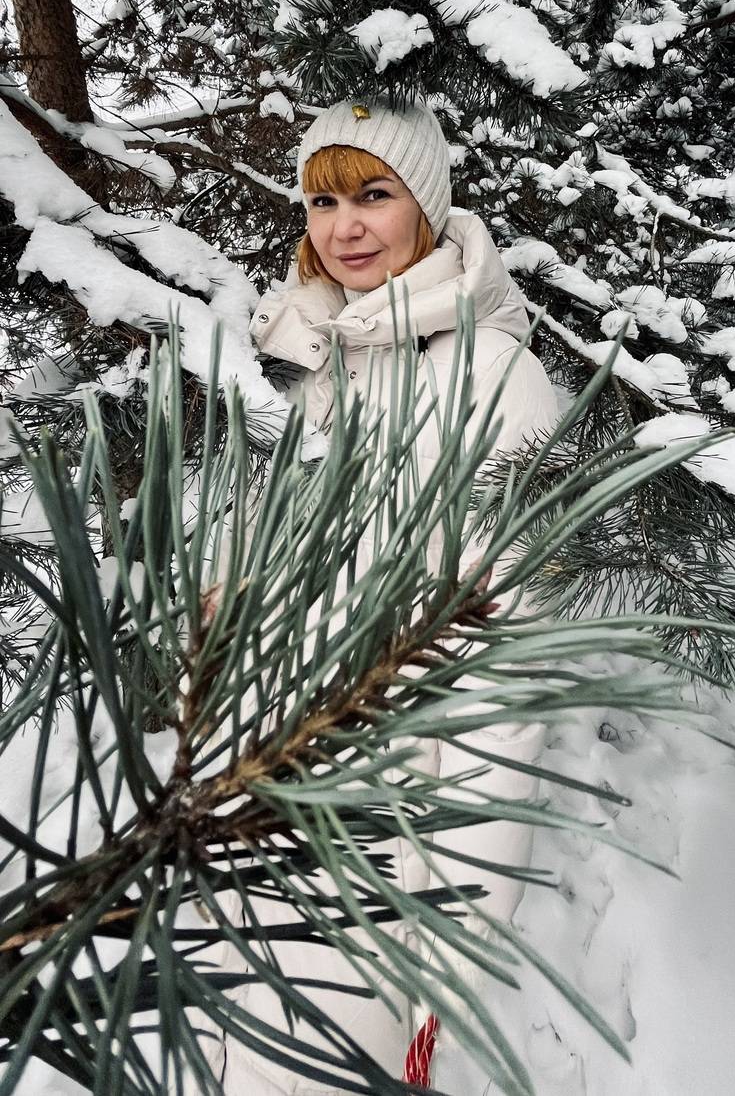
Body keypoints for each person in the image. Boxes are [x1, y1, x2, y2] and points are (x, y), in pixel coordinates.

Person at [203, 98, 559, 1094]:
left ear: (427, 210)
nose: (345, 226)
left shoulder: (497, 378)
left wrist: (454, 931)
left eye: (373, 195)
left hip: (379, 831)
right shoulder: (322, 364)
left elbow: (506, 675)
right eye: (322, 201)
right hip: (259, 793)